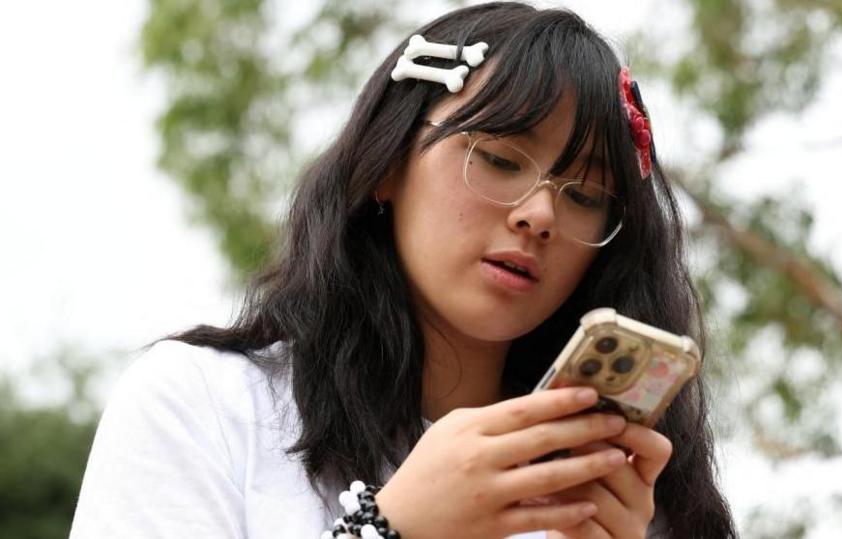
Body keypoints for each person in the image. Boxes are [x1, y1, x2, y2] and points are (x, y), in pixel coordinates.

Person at [70, 2, 737, 538]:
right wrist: (389, 529)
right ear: (389, 164)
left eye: (587, 197)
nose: (540, 215)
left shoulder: (620, 495)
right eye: (500, 158)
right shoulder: (204, 405)